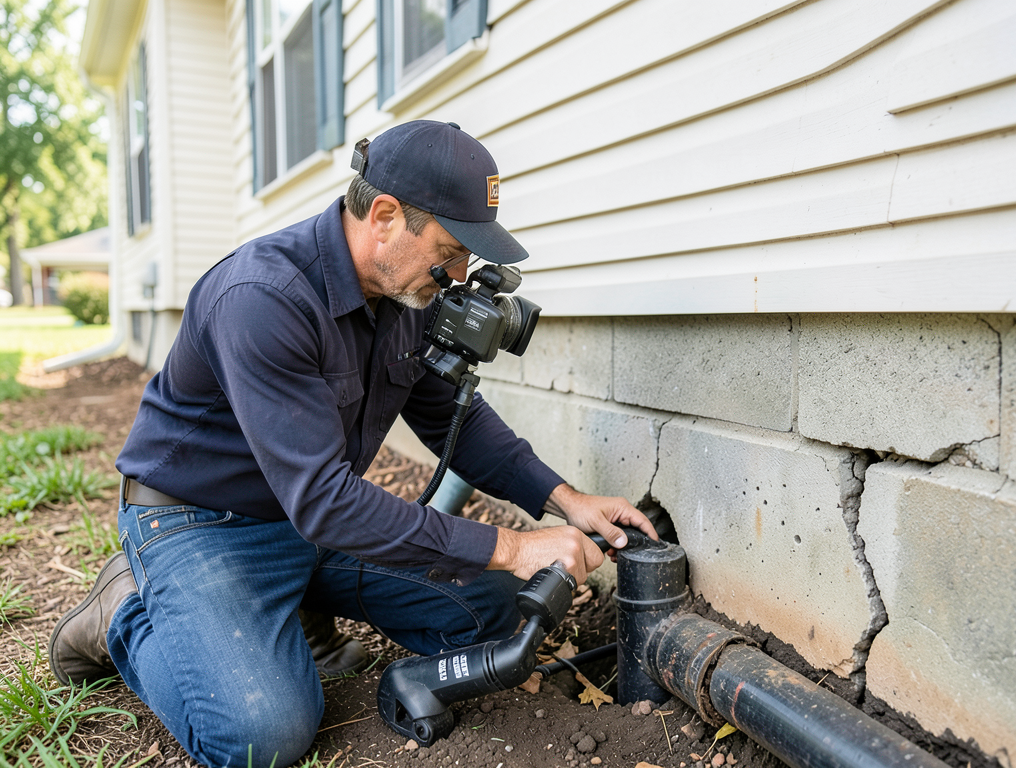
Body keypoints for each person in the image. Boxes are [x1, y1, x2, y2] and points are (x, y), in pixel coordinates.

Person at [48, 120, 657, 768]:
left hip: (308, 522)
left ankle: (292, 603)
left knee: (493, 613)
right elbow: (327, 502)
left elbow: (456, 419)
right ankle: (122, 612)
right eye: (451, 249)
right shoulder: (263, 298)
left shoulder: (406, 297)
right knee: (260, 735)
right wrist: (510, 545)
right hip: (201, 523)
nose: (458, 273)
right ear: (387, 217)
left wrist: (566, 500)